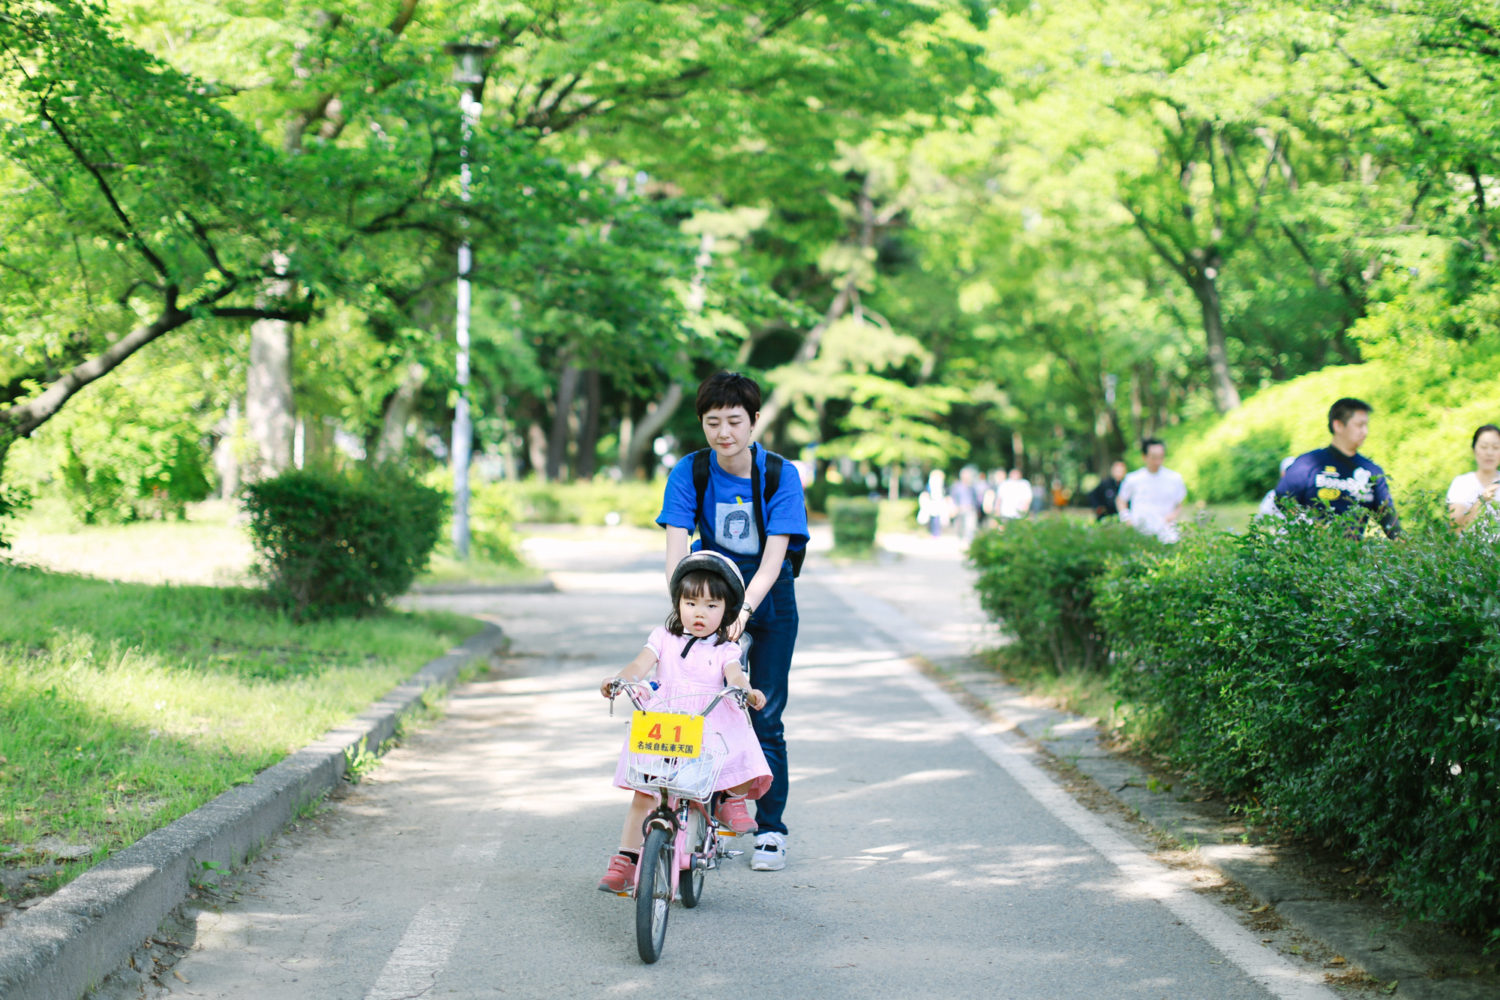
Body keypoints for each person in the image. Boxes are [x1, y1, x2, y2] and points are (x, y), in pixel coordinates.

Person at [657, 371, 809, 872]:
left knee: (763, 713)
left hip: (769, 599)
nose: (724, 432)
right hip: (710, 591)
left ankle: (771, 829)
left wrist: (743, 612)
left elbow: (772, 561)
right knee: (698, 707)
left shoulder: (778, 474)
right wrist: (686, 610)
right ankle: (710, 817)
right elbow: (677, 550)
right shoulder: (690, 471)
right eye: (713, 422)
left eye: (735, 421)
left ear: (755, 421)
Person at [597, 551, 771, 892]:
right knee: (645, 795)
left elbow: (735, 676)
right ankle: (627, 860)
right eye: (690, 603)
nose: (699, 613)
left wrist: (746, 691)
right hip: (666, 722)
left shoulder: (725, 649)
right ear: (678, 604)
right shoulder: (663, 637)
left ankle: (728, 799)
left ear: (727, 611)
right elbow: (639, 666)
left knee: (738, 740)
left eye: (711, 605)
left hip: (706, 722)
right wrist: (620, 680)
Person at [1274, 397, 1400, 538]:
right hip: (1311, 553)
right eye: (1359, 425)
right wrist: (1309, 527)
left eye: (1366, 426)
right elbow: (1282, 499)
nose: (1365, 432)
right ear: (1338, 425)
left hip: (1351, 555)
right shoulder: (1308, 463)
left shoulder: (1372, 471)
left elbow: (1390, 522)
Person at [1117, 438, 1187, 542]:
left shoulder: (1174, 478)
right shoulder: (1133, 478)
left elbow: (1180, 503)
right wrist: (1126, 519)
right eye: (1154, 457)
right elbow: (1121, 500)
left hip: (1167, 533)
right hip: (1139, 532)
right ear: (1144, 457)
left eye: (1161, 457)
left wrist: (1172, 516)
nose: (1157, 461)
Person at [1448, 423, 1500, 534]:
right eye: (1484, 447)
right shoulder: (1461, 483)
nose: (1489, 453)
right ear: (1474, 449)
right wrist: (1482, 501)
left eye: (1495, 448)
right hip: (1469, 551)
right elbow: (1456, 528)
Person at [949, 466, 982, 541]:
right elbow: (953, 498)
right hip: (960, 509)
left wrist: (977, 509)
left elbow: (975, 498)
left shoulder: (972, 486)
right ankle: (961, 540)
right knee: (960, 526)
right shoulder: (957, 486)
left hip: (970, 509)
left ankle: (969, 541)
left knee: (970, 526)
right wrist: (953, 508)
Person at [918, 469, 948, 537]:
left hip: (938, 502)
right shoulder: (930, 484)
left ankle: (936, 533)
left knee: (937, 519)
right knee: (933, 518)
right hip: (932, 502)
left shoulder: (941, 484)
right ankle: (934, 533)